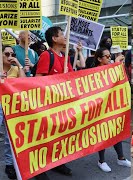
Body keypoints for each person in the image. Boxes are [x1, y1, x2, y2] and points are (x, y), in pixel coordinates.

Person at [34, 26, 76, 180]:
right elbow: (38, 80)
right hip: (48, 106)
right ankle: (39, 169)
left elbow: (72, 77)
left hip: (62, 106)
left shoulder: (64, 57)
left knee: (59, 137)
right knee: (44, 138)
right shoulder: (46, 55)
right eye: (61, 34)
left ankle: (57, 163)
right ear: (54, 39)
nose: (65, 36)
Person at [0, 45, 26, 179]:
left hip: (12, 106)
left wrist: (18, 64)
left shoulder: (16, 68)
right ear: (1, 54)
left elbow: (23, 83)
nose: (9, 56)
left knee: (10, 138)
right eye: (6, 54)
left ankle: (10, 164)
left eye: (12, 54)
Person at [91, 47, 130, 172]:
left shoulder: (112, 68)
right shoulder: (94, 71)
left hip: (111, 106)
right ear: (99, 59)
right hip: (100, 109)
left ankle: (121, 158)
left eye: (110, 56)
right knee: (102, 133)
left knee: (115, 131)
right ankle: (101, 160)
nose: (110, 58)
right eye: (107, 56)